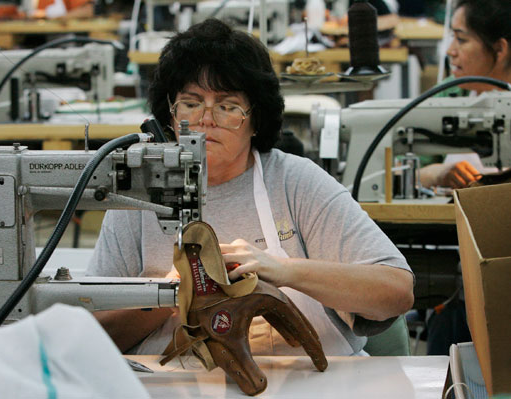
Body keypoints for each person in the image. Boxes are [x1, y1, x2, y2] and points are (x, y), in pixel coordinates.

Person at [87, 18, 414, 357]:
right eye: (191, 103)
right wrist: (170, 294)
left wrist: (284, 270)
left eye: (228, 106)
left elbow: (396, 293)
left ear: (256, 119)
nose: (206, 119)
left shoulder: (294, 182)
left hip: (311, 386)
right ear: (169, 114)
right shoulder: (137, 195)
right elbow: (92, 339)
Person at [420, 0, 511, 189]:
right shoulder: (447, 94)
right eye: (453, 37)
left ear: (500, 49)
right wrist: (435, 173)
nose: (450, 51)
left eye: (461, 39)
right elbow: (398, 170)